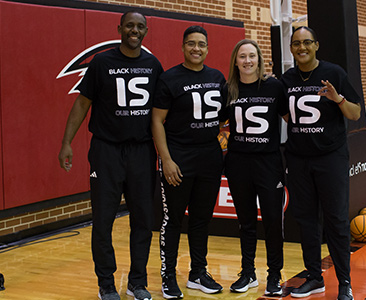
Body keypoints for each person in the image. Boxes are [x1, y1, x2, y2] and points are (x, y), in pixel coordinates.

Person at [58, 11, 163, 300]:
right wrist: (67, 142)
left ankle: (137, 282)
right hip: (106, 151)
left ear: (145, 31)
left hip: (142, 151)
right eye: (130, 25)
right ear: (119, 28)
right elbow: (82, 103)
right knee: (103, 220)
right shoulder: (102, 62)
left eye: (140, 26)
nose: (135, 30)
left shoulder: (153, 64)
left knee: (143, 219)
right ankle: (106, 283)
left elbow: (162, 112)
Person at [280, 26, 361, 300]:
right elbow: (287, 114)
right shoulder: (287, 79)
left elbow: (356, 113)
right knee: (306, 221)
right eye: (296, 44)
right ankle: (314, 277)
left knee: (336, 220)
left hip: (331, 159)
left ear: (316, 45)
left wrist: (337, 99)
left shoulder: (334, 73)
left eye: (306, 42)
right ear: (291, 48)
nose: (301, 48)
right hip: (299, 160)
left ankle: (344, 282)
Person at [151, 25, 225, 299]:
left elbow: (227, 113)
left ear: (207, 48)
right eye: (191, 43)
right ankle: (168, 276)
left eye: (201, 44)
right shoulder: (170, 78)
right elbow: (157, 120)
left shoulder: (217, 77)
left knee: (201, 219)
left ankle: (197, 272)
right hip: (179, 159)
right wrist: (166, 160)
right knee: (172, 220)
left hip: (209, 157)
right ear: (183, 47)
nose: (196, 48)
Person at [222, 39, 286, 296]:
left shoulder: (273, 87)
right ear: (235, 62)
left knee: (272, 221)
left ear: (259, 59)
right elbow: (218, 124)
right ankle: (247, 273)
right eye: (242, 57)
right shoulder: (229, 90)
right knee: (245, 222)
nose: (247, 61)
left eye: (252, 56)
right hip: (238, 164)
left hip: (268, 163)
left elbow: (290, 119)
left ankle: (274, 275)